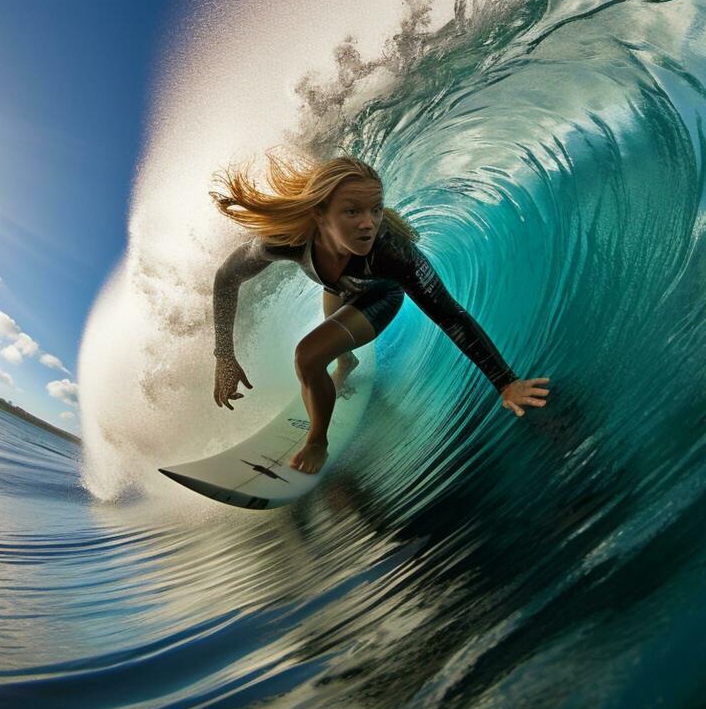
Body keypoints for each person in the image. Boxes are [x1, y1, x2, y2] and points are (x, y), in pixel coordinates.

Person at [209, 149, 550, 475]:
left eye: (376, 210)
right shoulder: (286, 239)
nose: (368, 224)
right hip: (338, 286)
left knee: (308, 357)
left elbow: (451, 315)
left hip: (379, 296)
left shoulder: (393, 253)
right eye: (352, 211)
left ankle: (317, 442)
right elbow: (227, 278)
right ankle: (347, 361)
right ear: (320, 214)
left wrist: (505, 382)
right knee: (329, 351)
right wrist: (224, 354)